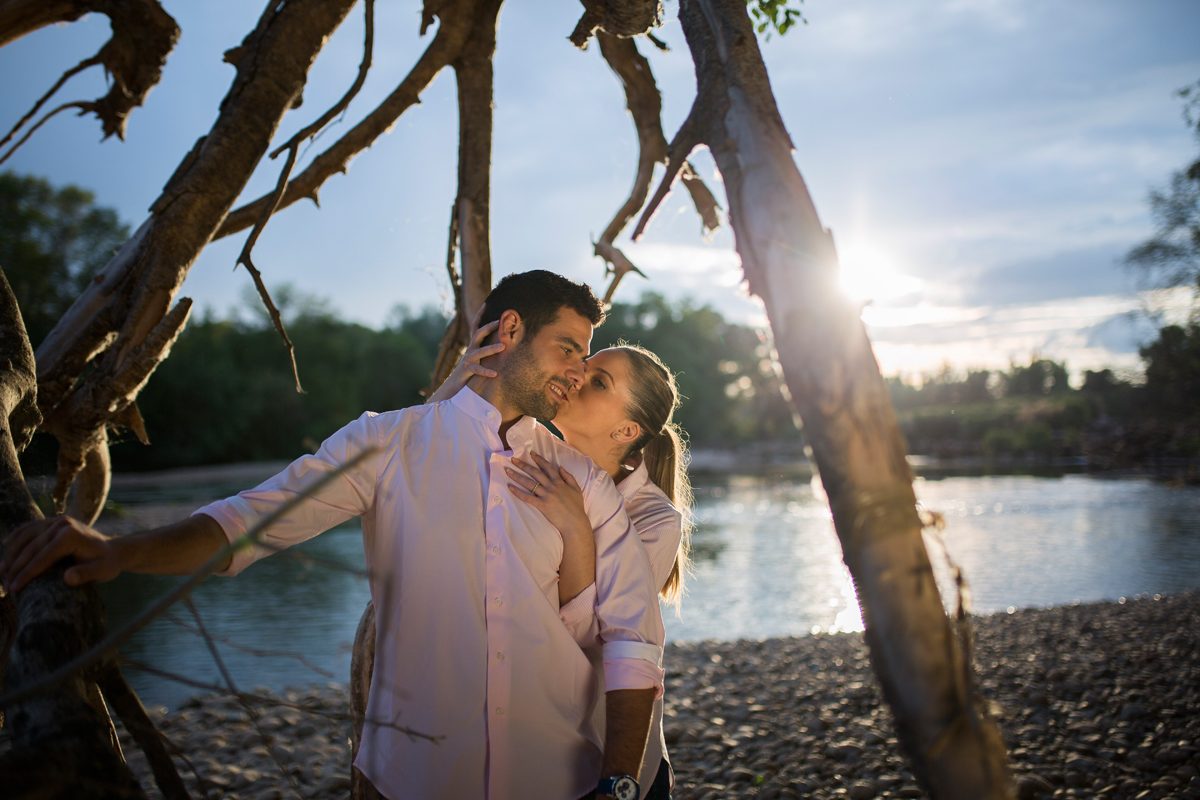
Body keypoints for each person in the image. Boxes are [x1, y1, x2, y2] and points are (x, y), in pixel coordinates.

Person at [0, 270, 666, 800]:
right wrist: (120, 551)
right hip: (410, 782)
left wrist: (617, 784)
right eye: (569, 348)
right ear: (512, 329)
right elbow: (249, 523)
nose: (578, 370)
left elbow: (633, 641)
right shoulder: (387, 442)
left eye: (585, 357)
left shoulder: (584, 485)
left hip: (560, 783)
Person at [433, 333, 692, 800]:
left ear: (625, 431)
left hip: (610, 756)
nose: (576, 377)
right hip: (519, 745)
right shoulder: (526, 460)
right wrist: (459, 382)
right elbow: (428, 450)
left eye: (598, 382)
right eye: (583, 365)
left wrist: (575, 527)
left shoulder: (655, 521)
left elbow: (590, 635)